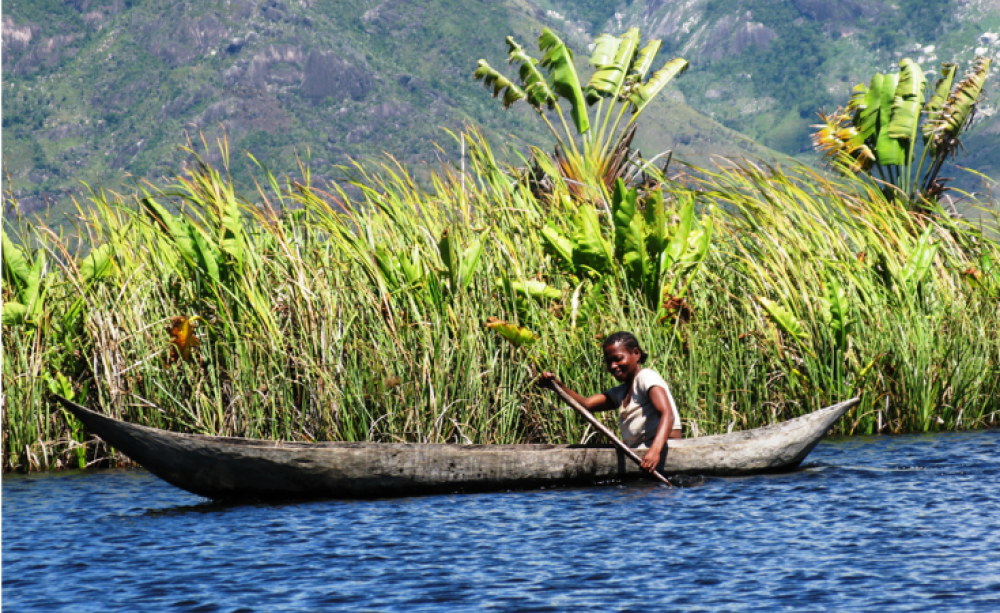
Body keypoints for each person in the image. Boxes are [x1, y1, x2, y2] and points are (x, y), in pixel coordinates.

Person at [539, 331, 681, 473]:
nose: (613, 366)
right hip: (640, 452)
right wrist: (557, 386)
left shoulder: (646, 377)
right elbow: (586, 404)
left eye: (618, 359)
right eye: (609, 362)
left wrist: (655, 451)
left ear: (636, 354)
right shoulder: (622, 391)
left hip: (663, 449)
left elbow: (667, 414)